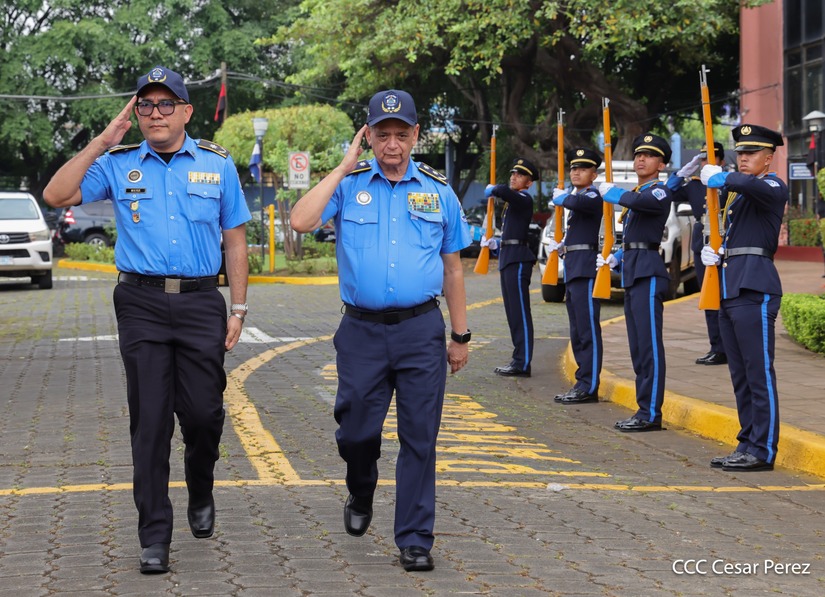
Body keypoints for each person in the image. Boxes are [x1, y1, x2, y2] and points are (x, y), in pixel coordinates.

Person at [43, 66, 251, 573]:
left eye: (165, 104)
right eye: (145, 106)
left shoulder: (216, 165)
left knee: (204, 415)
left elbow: (236, 239)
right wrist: (102, 139)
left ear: (186, 111)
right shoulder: (117, 163)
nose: (155, 114)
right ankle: (154, 534)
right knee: (151, 422)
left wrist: (239, 307)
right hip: (140, 303)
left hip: (203, 300)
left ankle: (200, 484)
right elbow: (56, 195)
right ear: (136, 115)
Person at [290, 89, 471, 572]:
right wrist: (343, 164)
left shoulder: (438, 191)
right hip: (362, 333)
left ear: (415, 136)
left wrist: (460, 335)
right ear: (367, 136)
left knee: (420, 438)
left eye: (401, 134)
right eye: (381, 134)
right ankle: (360, 486)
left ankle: (415, 538)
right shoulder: (349, 185)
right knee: (356, 434)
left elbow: (453, 269)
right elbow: (301, 220)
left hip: (420, 331)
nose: (392, 144)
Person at [700, 124, 787, 472]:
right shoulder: (737, 198)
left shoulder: (771, 186)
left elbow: (748, 184)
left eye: (751, 153)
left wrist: (722, 176)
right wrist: (716, 252)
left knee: (759, 373)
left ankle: (763, 449)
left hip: (755, 286)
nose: (744, 158)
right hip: (730, 285)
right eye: (741, 153)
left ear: (769, 157)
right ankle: (747, 443)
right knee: (740, 374)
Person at [599, 134, 673, 432]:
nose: (641, 159)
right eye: (639, 154)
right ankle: (644, 408)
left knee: (650, 346)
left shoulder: (658, 192)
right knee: (638, 347)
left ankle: (651, 413)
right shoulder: (641, 191)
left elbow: (639, 203)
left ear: (661, 164)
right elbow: (636, 235)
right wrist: (617, 256)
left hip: (648, 273)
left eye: (650, 155)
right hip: (633, 270)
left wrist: (613, 192)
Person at [549, 148, 604, 403]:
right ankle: (583, 381)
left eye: (582, 168)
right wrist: (564, 246)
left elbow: (581, 204)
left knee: (587, 329)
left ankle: (589, 385)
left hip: (585, 269)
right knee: (577, 329)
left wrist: (562, 198)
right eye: (573, 168)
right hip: (574, 266)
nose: (576, 172)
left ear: (594, 173)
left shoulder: (592, 194)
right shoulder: (577, 196)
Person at [667, 142, 728, 365]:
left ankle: (732, 345)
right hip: (703, 247)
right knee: (709, 297)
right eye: (701, 159)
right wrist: (683, 172)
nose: (704, 163)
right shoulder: (693, 185)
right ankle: (717, 347)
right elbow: (668, 191)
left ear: (720, 161)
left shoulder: (728, 183)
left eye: (709, 158)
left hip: (726, 245)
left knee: (728, 299)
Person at [484, 158, 538, 377]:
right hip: (508, 256)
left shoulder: (523, 198)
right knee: (512, 313)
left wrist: (495, 188)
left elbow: (506, 192)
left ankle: (523, 362)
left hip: (517, 260)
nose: (514, 176)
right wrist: (497, 244)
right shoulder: (512, 203)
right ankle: (518, 358)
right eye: (513, 173)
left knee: (520, 313)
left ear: (529, 182)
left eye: (520, 174)